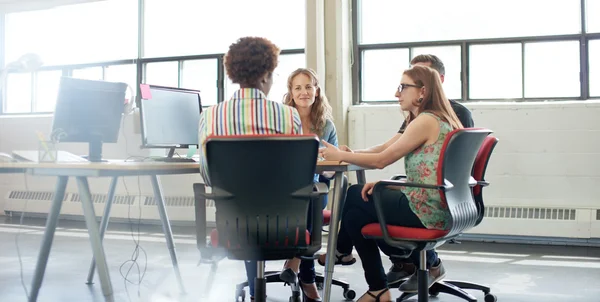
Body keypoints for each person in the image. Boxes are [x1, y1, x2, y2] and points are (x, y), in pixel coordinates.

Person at [317, 54, 474, 289]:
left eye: (403, 86)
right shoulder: (440, 117)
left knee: (353, 196)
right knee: (356, 214)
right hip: (444, 205)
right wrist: (385, 181)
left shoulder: (425, 120)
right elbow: (412, 162)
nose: (396, 93)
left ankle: (358, 267)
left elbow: (381, 160)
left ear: (422, 91)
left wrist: (341, 155)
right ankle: (375, 284)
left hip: (428, 210)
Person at [197, 36, 302, 301]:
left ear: (234, 74)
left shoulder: (210, 116)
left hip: (232, 226)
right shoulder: (289, 116)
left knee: (244, 212)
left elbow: (209, 176)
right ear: (266, 75)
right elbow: (298, 177)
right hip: (285, 227)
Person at [276, 67, 338, 301]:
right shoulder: (281, 121)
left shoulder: (327, 126)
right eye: (298, 87)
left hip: (313, 187)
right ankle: (307, 278)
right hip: (282, 188)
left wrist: (330, 166)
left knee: (313, 197)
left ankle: (296, 266)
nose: (304, 92)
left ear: (317, 90)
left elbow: (331, 170)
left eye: (309, 86)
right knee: (309, 201)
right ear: (291, 93)